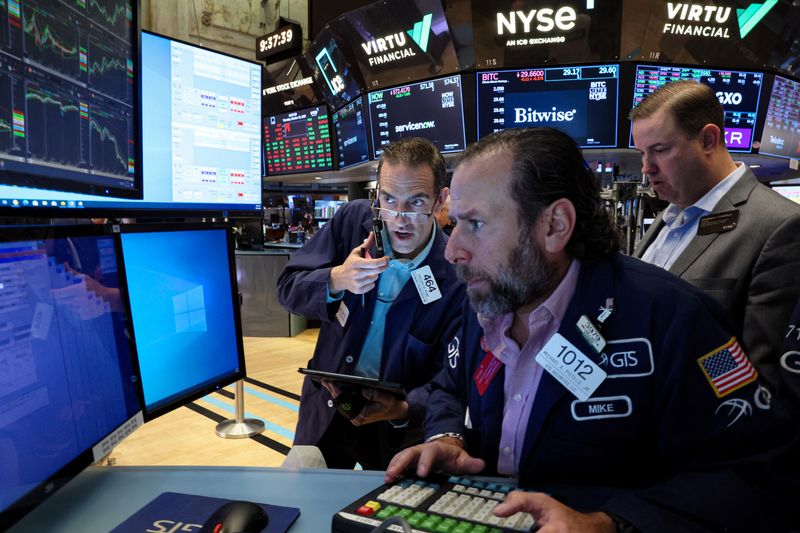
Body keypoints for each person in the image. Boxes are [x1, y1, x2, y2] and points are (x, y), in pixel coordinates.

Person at [385, 128, 799, 531]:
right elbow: (449, 385)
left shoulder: (675, 319)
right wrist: (449, 437)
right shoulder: (487, 302)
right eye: (454, 222)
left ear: (554, 226)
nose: (453, 249)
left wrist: (609, 524)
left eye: (474, 224)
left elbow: (757, 476)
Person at [277, 137, 466, 470]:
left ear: (441, 200)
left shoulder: (455, 275)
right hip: (327, 408)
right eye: (388, 199)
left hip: (396, 427)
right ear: (376, 194)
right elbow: (287, 288)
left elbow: (449, 377)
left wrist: (406, 407)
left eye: (416, 202)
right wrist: (335, 279)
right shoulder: (353, 223)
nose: (399, 218)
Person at [630, 80, 800, 390]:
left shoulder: (779, 226)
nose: (646, 168)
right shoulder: (668, 218)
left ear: (708, 139)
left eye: (660, 150)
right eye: (643, 153)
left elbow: (759, 376)